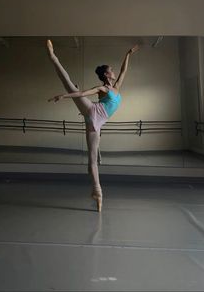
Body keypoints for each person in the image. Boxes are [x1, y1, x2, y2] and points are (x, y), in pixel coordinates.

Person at [47, 39, 140, 212]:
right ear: (106, 75)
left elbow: (123, 70)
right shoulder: (102, 88)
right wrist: (64, 96)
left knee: (92, 161)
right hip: (92, 112)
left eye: (112, 70)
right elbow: (83, 93)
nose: (113, 71)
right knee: (68, 84)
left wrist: (128, 54)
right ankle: (53, 57)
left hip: (97, 123)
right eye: (110, 70)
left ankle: (96, 191)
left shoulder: (117, 87)